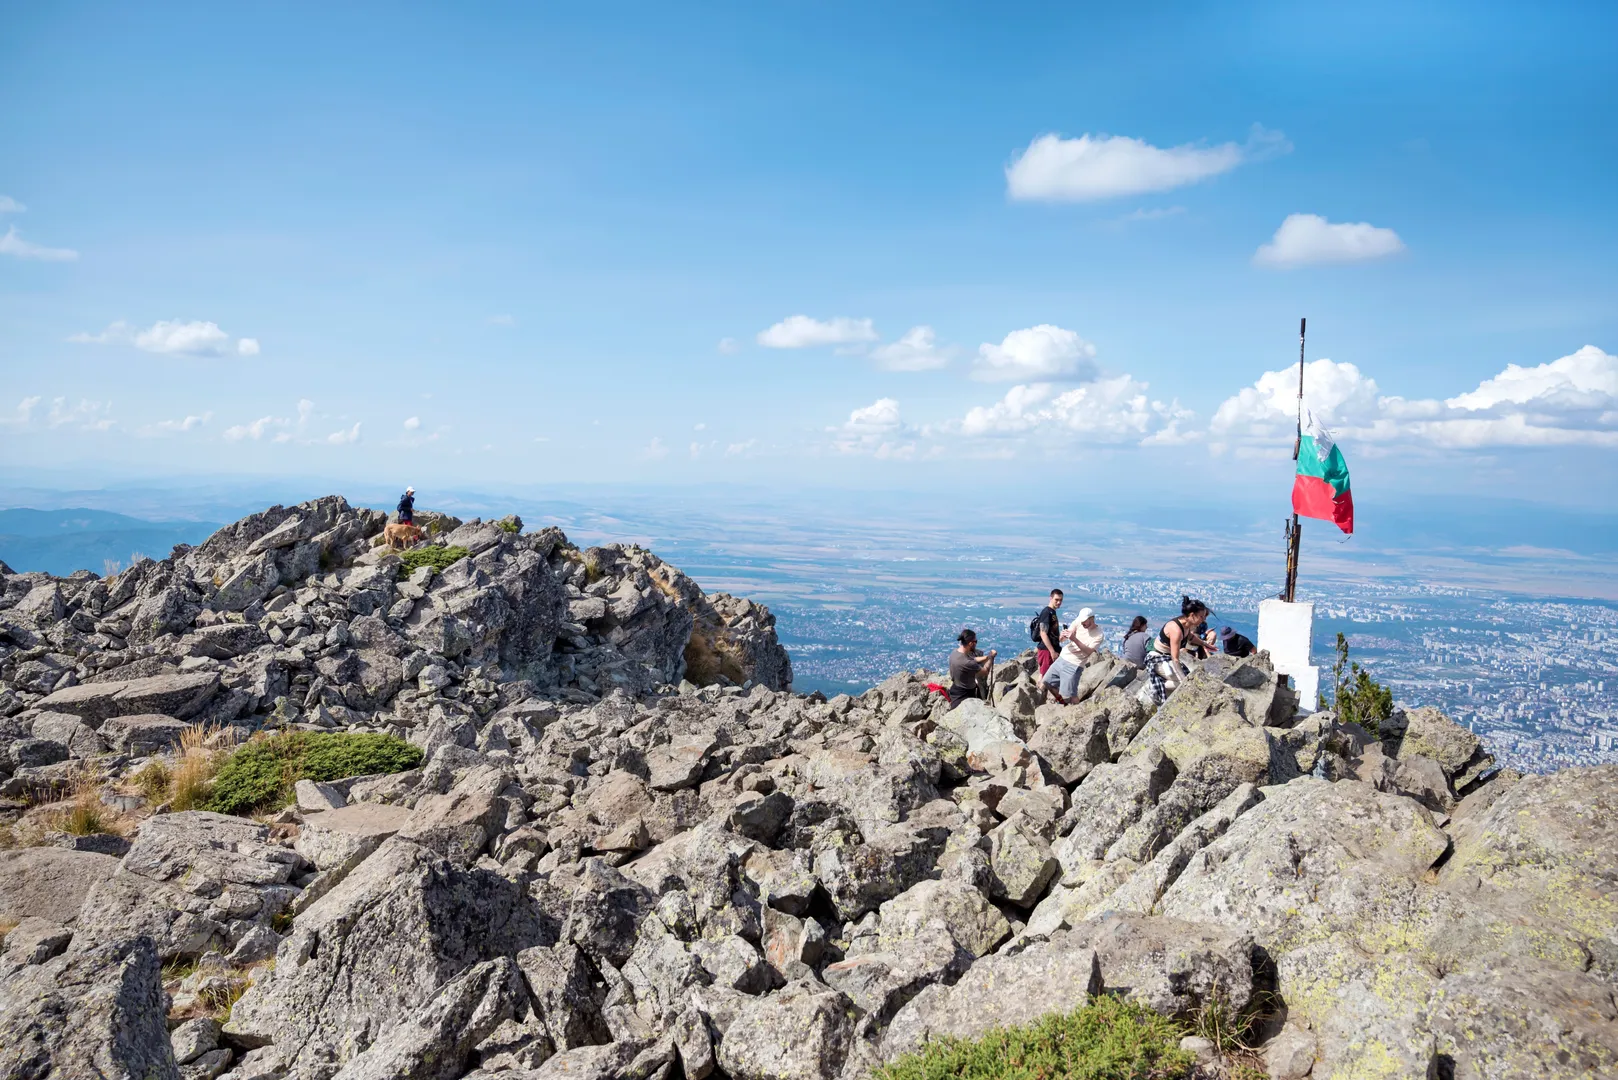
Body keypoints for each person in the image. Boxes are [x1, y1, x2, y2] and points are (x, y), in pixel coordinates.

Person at [1143, 596, 1211, 705]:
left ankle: (1162, 684)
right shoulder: (1176, 630)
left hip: (1166, 658)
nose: (1203, 619)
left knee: (1190, 679)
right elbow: (1175, 659)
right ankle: (1156, 686)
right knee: (1184, 683)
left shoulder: (1186, 625)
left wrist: (1204, 644)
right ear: (1192, 615)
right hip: (1158, 659)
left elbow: (1190, 637)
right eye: (1201, 616)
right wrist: (1184, 680)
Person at [1041, 607, 1104, 705]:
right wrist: (1063, 636)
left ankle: (1075, 713)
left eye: (1085, 621)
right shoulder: (1078, 621)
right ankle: (1063, 703)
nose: (1083, 623)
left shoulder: (1098, 634)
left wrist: (1074, 639)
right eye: (1082, 621)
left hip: (1075, 664)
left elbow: (1089, 652)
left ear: (1092, 618)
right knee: (1047, 682)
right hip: (1063, 657)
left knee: (1071, 694)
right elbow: (1063, 638)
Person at [947, 629, 996, 708]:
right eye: (975, 641)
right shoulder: (968, 663)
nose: (976, 644)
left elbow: (972, 659)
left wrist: (987, 657)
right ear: (970, 643)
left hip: (955, 690)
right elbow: (985, 671)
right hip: (966, 695)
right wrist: (992, 658)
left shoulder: (955, 652)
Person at [1030, 589, 1064, 678]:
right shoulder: (1046, 612)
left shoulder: (1052, 612)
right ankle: (1039, 691)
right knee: (1045, 678)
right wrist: (1052, 651)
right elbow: (1043, 633)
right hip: (1046, 650)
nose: (1059, 602)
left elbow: (1050, 633)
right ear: (1051, 598)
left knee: (1046, 677)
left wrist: (1061, 637)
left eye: (1060, 600)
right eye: (1056, 600)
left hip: (1051, 649)